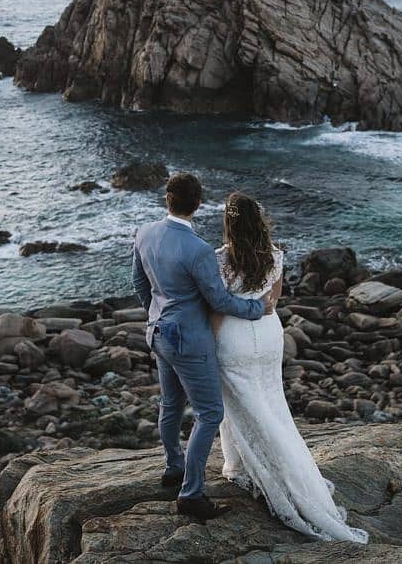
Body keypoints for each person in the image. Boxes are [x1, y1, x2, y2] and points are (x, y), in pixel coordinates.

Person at [212, 191, 368, 542]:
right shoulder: (276, 256)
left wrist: (207, 345)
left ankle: (247, 466)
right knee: (269, 402)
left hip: (233, 336)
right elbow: (273, 300)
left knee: (238, 402)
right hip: (268, 335)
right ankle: (249, 463)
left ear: (229, 222)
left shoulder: (220, 259)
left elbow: (218, 308)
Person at [132, 172, 276, 521]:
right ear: (197, 205)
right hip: (189, 341)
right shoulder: (198, 250)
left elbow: (139, 283)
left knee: (170, 403)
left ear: (168, 199)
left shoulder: (144, 233)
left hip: (158, 333)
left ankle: (173, 468)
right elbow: (219, 300)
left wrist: (158, 312)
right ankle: (191, 494)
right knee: (210, 412)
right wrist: (259, 308)